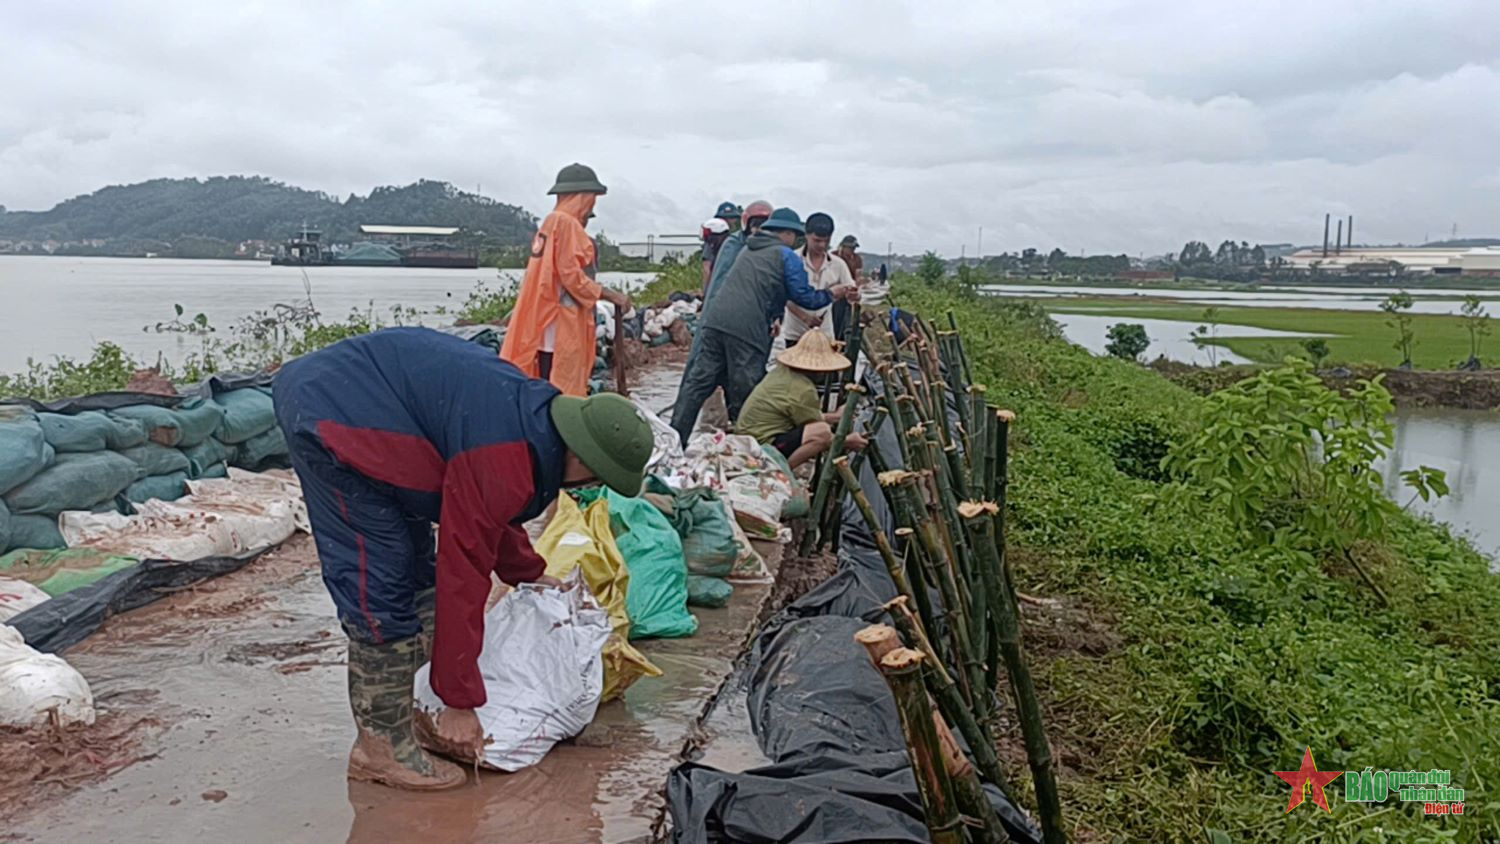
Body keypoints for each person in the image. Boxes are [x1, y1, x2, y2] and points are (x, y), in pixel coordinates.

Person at [273, 327, 653, 790]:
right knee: (380, 581)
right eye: (597, 477)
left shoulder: (538, 424)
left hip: (384, 415)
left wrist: (529, 573)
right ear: (584, 457)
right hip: (334, 416)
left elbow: (493, 511)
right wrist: (461, 700)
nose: (587, 487)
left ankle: (411, 709)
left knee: (418, 571)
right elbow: (464, 568)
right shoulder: (505, 452)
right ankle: (380, 750)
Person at [670, 207, 859, 445]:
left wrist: (774, 316)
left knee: (697, 385)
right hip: (745, 332)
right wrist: (833, 293)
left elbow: (765, 288)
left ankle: (675, 441)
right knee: (749, 391)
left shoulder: (748, 249)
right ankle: (752, 448)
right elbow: (805, 297)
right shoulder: (786, 254)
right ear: (788, 234)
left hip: (715, 323)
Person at [500, 162, 631, 396]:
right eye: (592, 198)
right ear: (581, 196)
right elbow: (571, 276)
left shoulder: (551, 223)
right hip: (560, 322)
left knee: (541, 377)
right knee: (560, 385)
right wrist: (611, 295)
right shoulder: (567, 224)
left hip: (544, 317)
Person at [737, 330, 869, 468]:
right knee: (822, 432)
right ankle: (780, 470)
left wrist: (835, 417)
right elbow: (817, 430)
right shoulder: (803, 389)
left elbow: (802, 414)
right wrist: (846, 441)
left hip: (749, 438)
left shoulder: (781, 371)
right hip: (761, 445)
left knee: (820, 428)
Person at [781, 212, 855, 345]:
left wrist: (853, 295)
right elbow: (783, 296)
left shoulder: (838, 264)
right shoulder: (792, 259)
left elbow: (852, 291)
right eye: (817, 240)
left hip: (824, 333)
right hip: (795, 333)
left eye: (826, 241)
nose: (822, 245)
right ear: (806, 235)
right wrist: (805, 318)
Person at [702, 199, 773, 302]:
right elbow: (713, 273)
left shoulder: (773, 247)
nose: (729, 221)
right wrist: (708, 295)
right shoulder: (733, 243)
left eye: (731, 218)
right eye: (725, 218)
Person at [700, 201, 741, 288]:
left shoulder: (735, 239)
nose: (732, 221)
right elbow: (707, 268)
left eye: (732, 218)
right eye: (729, 218)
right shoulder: (713, 241)